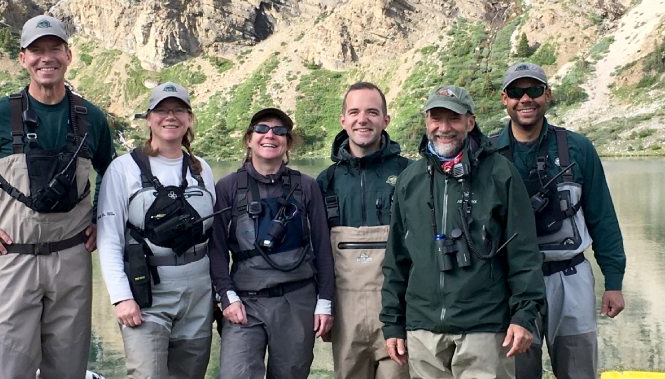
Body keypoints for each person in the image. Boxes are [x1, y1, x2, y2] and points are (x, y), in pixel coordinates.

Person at [0, 15, 114, 378]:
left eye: (54, 49)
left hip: (72, 261)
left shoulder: (91, 118)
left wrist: (100, 217)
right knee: (4, 369)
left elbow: (111, 173)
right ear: (22, 59)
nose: (46, 58)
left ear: (69, 55)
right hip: (11, 259)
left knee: (68, 369)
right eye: (36, 51)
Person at [380, 85, 546, 379]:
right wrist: (393, 322)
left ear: (470, 122)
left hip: (485, 327)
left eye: (454, 119)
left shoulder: (500, 173)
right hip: (423, 329)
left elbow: (524, 253)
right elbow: (396, 259)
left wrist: (524, 315)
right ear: (426, 122)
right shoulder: (409, 180)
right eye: (436, 118)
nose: (444, 128)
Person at [491, 62, 627, 379]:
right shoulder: (487, 153)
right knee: (517, 371)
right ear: (504, 99)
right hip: (509, 282)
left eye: (535, 90)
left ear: (548, 95)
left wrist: (614, 282)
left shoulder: (579, 149)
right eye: (516, 92)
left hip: (571, 276)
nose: (526, 99)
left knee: (579, 370)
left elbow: (603, 217)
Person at [95, 82, 216, 378]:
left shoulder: (202, 168)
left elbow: (215, 238)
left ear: (189, 118)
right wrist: (121, 297)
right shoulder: (123, 169)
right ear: (148, 118)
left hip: (198, 295)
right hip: (146, 294)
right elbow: (109, 237)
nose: (169, 116)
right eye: (161, 110)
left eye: (178, 110)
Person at [207, 108, 336, 378]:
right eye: (262, 129)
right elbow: (216, 249)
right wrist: (226, 296)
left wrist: (325, 300)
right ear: (249, 139)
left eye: (280, 131)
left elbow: (323, 248)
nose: (270, 135)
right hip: (245, 302)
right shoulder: (228, 187)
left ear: (287, 142)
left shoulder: (307, 186)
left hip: (297, 301)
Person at [317, 82, 411, 379]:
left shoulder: (411, 175)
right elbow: (316, 251)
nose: (363, 119)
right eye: (354, 112)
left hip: (399, 309)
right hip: (345, 313)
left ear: (386, 120)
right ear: (343, 120)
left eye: (372, 112)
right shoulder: (325, 181)